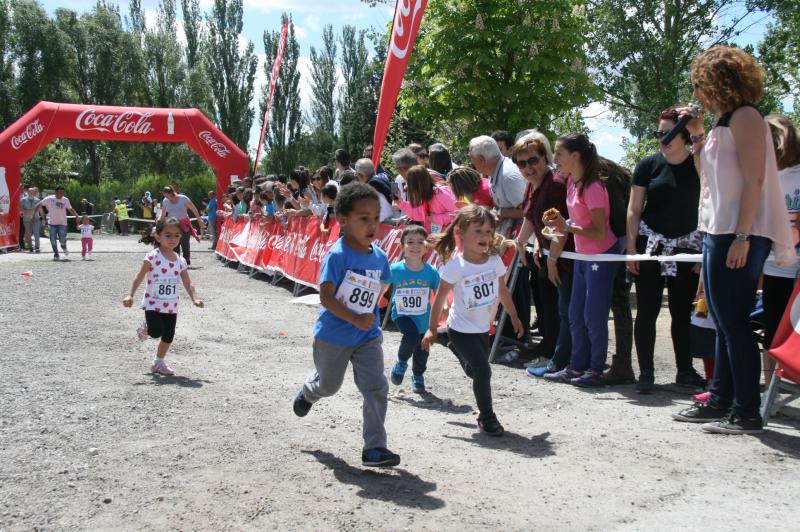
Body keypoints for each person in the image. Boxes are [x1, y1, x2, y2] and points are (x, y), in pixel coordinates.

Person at [672, 46, 795, 435]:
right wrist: (696, 136)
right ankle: (722, 398)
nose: (696, 89)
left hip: (739, 233)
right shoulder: (725, 121)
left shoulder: (746, 117)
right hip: (717, 230)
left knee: (734, 323)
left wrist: (743, 235)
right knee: (722, 323)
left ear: (718, 80)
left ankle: (745, 411)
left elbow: (756, 180)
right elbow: (705, 175)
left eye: (699, 81)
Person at [292, 183, 401, 468]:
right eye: (363, 218)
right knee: (329, 386)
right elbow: (326, 297)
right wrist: (354, 317)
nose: (372, 224)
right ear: (343, 219)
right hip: (334, 336)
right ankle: (308, 391)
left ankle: (375, 448)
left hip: (367, 335)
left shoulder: (378, 256)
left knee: (376, 386)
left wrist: (382, 299)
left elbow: (383, 283)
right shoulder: (337, 255)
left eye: (376, 217)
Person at [423, 205, 524, 436]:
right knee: (483, 371)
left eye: (489, 231)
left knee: (474, 371)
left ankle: (450, 343)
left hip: (482, 328)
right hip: (460, 328)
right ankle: (487, 418)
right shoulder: (455, 267)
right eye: (478, 231)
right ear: (460, 233)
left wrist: (515, 316)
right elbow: (438, 300)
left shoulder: (494, 262)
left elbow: (503, 291)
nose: (485, 237)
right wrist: (431, 329)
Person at [627, 105, 706, 393]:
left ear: (684, 135)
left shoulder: (698, 163)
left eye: (670, 133)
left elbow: (710, 204)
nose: (663, 138)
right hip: (651, 245)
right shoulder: (648, 165)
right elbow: (634, 209)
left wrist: (704, 252)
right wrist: (632, 248)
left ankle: (684, 370)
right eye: (659, 133)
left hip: (687, 246)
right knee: (646, 310)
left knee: (681, 311)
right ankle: (645, 372)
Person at [543, 134, 620, 387]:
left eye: (559, 153)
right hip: (583, 257)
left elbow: (600, 231)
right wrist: (559, 227)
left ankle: (596, 369)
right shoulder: (572, 184)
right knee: (575, 314)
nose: (555, 159)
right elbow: (577, 224)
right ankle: (576, 367)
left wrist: (567, 227)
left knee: (593, 316)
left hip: (601, 256)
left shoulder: (593, 187)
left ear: (575, 156)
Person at [509, 135, 575, 377]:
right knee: (551, 309)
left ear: (544, 158)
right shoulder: (533, 184)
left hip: (564, 258)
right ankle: (552, 353)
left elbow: (561, 226)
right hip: (547, 256)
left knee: (564, 312)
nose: (527, 168)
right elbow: (530, 216)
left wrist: (552, 260)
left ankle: (560, 360)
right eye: (521, 163)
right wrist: (522, 243)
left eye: (532, 161)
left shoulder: (555, 184)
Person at [123, 217, 204, 376]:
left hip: (171, 306)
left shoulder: (180, 260)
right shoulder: (153, 256)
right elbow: (139, 276)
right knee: (155, 332)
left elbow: (188, 282)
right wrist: (130, 295)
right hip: (153, 304)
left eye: (177, 235)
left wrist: (195, 298)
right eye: (168, 235)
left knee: (168, 336)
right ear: (158, 236)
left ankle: (158, 362)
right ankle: (146, 327)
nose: (173, 239)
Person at [762, 115, 800, 383]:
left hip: (796, 264)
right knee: (772, 327)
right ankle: (769, 386)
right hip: (772, 263)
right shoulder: (761, 176)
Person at [389, 226, 440, 394]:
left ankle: (418, 375)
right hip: (402, 314)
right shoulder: (395, 269)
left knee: (422, 349)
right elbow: (381, 288)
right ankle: (401, 362)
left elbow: (440, 293)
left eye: (420, 242)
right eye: (410, 242)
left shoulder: (431, 272)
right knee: (410, 336)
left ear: (426, 247)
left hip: (424, 318)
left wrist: (445, 308)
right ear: (402, 246)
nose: (415, 246)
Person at [468, 135, 526, 238]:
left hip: (522, 240)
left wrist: (501, 212)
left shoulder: (508, 177)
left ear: (481, 160)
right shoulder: (495, 171)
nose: (471, 161)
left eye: (471, 157)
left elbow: (527, 211)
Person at [397, 165, 456, 233]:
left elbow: (458, 213)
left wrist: (436, 218)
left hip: (449, 237)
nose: (405, 187)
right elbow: (419, 214)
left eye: (409, 183)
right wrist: (400, 202)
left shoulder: (441, 193)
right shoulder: (424, 196)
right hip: (436, 237)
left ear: (417, 184)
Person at [159, 186, 205, 266]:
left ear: (171, 193)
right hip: (173, 225)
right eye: (165, 196)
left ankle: (186, 259)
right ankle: (176, 260)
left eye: (167, 196)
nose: (166, 198)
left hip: (184, 224)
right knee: (174, 242)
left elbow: (193, 208)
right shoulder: (165, 201)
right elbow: (163, 212)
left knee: (185, 242)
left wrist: (199, 219)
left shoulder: (183, 198)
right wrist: (160, 220)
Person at [33, 185, 79, 261]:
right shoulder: (49, 199)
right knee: (53, 240)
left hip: (62, 223)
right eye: (60, 193)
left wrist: (76, 215)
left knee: (62, 239)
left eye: (63, 193)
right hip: (52, 223)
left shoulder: (65, 200)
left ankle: (64, 247)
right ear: (56, 192)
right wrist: (34, 214)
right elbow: (38, 204)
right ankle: (56, 254)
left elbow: (70, 209)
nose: (62, 194)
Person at [20, 186, 42, 253]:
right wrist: (27, 211)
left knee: (36, 233)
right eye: (30, 192)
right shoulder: (23, 200)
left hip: (36, 219)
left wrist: (43, 218)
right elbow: (20, 208)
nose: (31, 193)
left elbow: (39, 209)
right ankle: (30, 247)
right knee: (28, 233)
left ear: (34, 192)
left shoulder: (38, 200)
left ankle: (37, 247)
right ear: (28, 192)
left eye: (33, 192)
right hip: (26, 219)